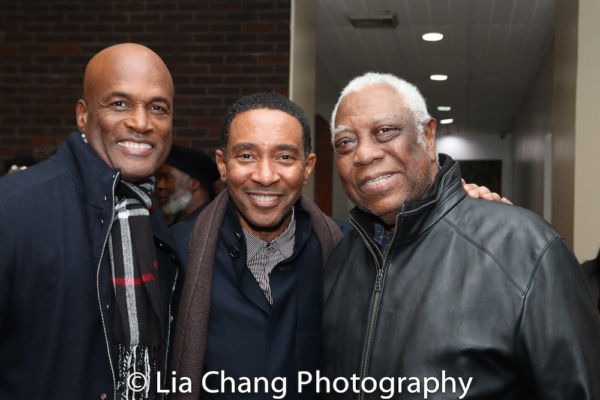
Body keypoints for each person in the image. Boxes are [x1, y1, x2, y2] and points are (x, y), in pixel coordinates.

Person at [169, 92, 503, 400]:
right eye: (246, 155)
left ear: (307, 168)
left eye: (285, 157)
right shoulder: (176, 253)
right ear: (223, 165)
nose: (265, 175)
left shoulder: (353, 252)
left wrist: (462, 211)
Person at [321, 72, 600, 399]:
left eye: (385, 131)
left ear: (427, 136)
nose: (364, 154)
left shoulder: (525, 250)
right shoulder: (339, 260)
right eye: (345, 142)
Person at [0, 43, 181, 400]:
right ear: (83, 115)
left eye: (157, 108)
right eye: (120, 104)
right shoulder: (11, 209)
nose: (141, 123)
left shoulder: (157, 226)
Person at [155, 145, 220, 226]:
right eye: (160, 178)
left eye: (168, 178)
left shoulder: (213, 227)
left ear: (193, 183)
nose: (160, 185)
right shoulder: (179, 224)